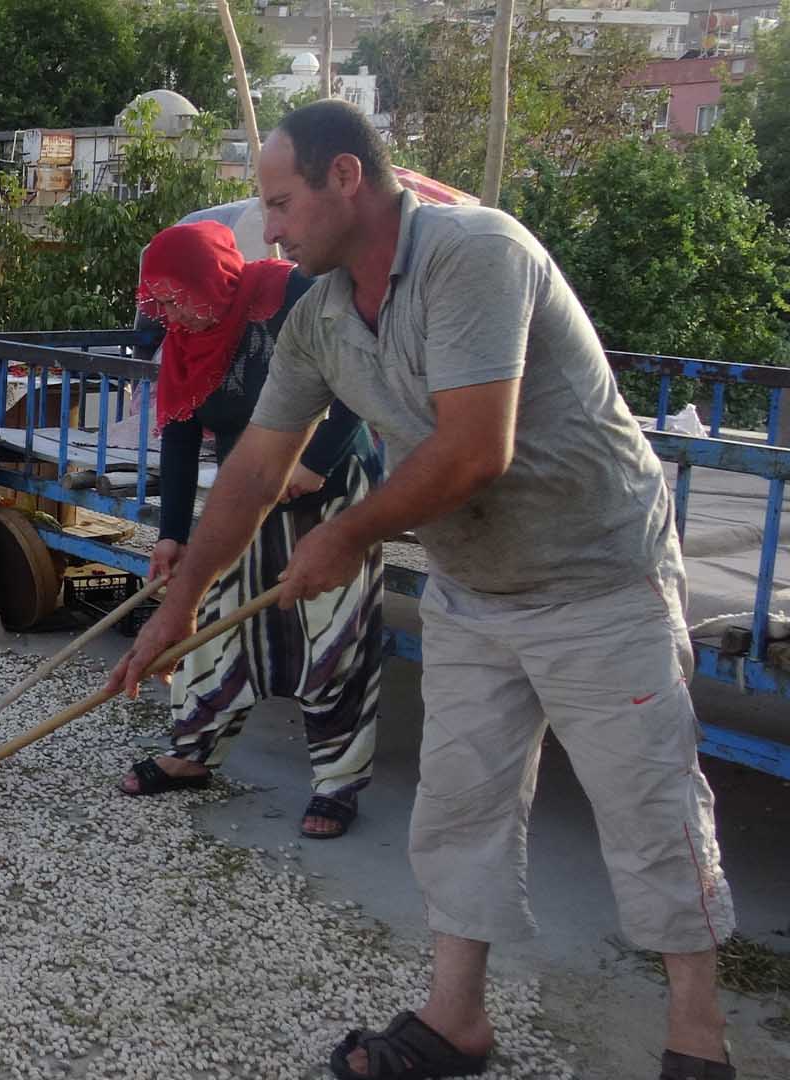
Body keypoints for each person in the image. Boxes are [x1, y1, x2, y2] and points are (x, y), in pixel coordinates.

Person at [107, 99, 736, 1080]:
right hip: (473, 582)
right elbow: (254, 468)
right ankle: (456, 1021)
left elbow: (475, 447)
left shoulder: (476, 253)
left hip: (597, 574)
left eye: (281, 203)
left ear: (346, 178)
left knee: (648, 809)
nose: (268, 228)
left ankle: (698, 1042)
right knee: (458, 806)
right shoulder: (317, 315)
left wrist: (349, 531)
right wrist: (181, 603)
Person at [122, 221, 386, 842]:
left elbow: (358, 386)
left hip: (331, 483)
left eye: (173, 294)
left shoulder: (291, 297)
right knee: (213, 615)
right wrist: (173, 533)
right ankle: (193, 751)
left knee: (333, 630)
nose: (167, 311)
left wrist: (315, 462)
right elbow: (183, 436)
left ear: (209, 276)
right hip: (247, 491)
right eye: (156, 299)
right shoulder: (183, 340)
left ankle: (338, 781)